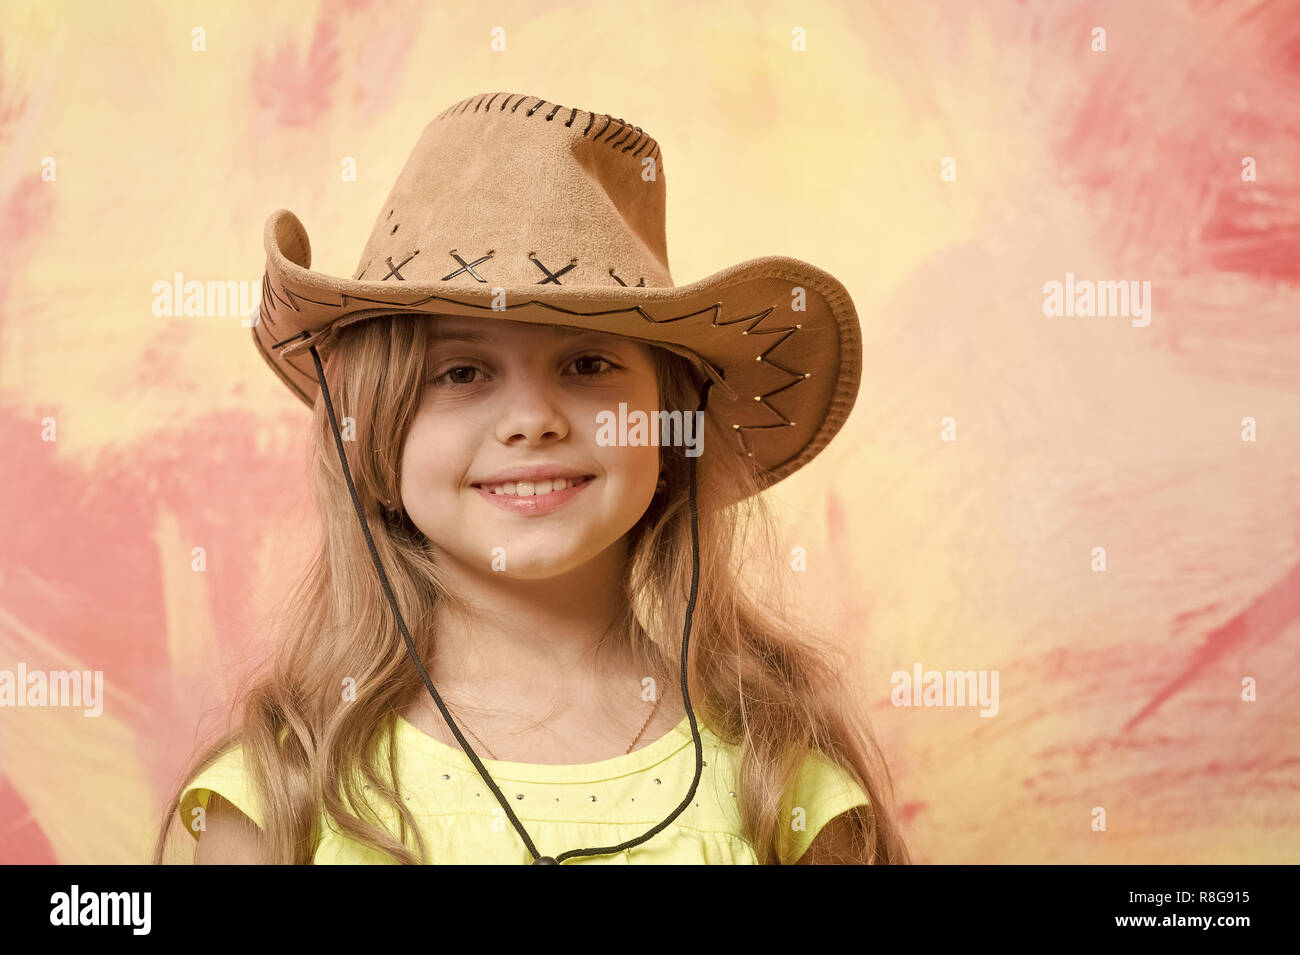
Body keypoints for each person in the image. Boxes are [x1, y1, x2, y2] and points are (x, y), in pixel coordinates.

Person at [151, 90, 910, 864]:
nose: (532, 418)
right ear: (375, 434)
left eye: (587, 363)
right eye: (460, 371)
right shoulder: (280, 795)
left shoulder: (777, 784)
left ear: (671, 428)